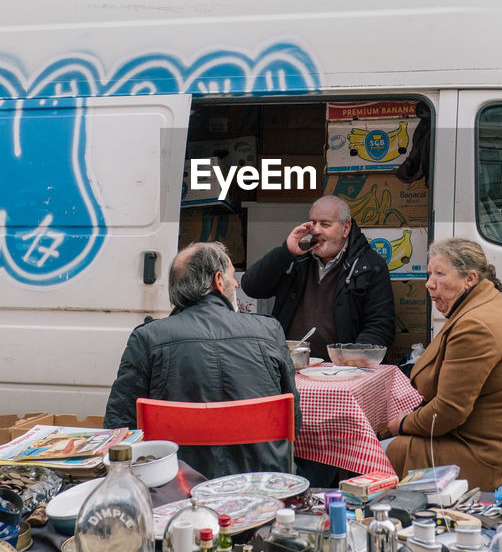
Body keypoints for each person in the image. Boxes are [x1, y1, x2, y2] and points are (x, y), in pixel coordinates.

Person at [103, 241, 300, 479]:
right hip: (264, 484)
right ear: (219, 281)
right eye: (231, 275)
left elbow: (119, 430)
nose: (236, 283)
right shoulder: (268, 330)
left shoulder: (148, 338)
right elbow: (293, 422)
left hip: (178, 486)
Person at [383, 238, 502, 492]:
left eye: (439, 274)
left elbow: (448, 412)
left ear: (470, 278)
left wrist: (401, 424)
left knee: (381, 451)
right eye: (429, 274)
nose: (429, 283)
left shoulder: (475, 326)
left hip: (486, 457)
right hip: (498, 443)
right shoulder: (483, 304)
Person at [241, 195, 394, 359]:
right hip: (291, 366)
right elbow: (251, 287)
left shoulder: (369, 265)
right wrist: (286, 251)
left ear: (346, 228)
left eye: (325, 224)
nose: (316, 230)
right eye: (313, 222)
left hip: (342, 373)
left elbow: (380, 325)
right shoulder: (295, 259)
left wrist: (351, 360)